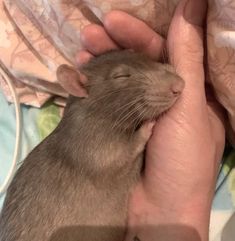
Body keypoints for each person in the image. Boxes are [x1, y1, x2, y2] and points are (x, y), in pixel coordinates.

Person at [60, 0, 226, 240]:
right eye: (122, 76)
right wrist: (137, 141)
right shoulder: (81, 133)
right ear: (79, 87)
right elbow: (101, 163)